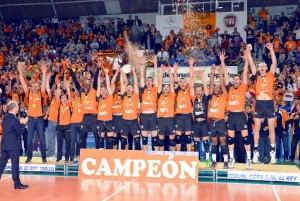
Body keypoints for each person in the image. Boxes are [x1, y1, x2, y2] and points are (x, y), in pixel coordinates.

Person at [248, 43, 277, 164]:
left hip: (269, 102)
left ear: (267, 67)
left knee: (271, 127)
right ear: (259, 69)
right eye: (261, 66)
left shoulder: (270, 75)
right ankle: (256, 153)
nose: (263, 67)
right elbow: (250, 63)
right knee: (257, 128)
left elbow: (274, 63)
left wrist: (271, 49)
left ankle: (272, 154)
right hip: (259, 103)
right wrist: (248, 51)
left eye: (264, 66)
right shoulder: (256, 76)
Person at [223, 50, 252, 170]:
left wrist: (246, 61)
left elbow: (245, 74)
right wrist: (222, 62)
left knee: (245, 138)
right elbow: (225, 75)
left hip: (240, 115)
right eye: (234, 79)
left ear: (239, 81)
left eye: (237, 79)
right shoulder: (230, 88)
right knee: (230, 139)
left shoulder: (242, 88)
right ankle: (231, 159)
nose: (235, 81)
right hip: (231, 116)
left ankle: (249, 160)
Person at [0, 101, 29, 189]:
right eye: (17, 107)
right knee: (15, 165)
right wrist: (23, 123)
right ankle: (17, 183)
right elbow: (20, 132)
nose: (18, 108)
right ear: (14, 108)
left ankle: (17, 183)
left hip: (4, 144)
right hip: (13, 146)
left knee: (1, 164)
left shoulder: (4, 118)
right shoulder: (15, 119)